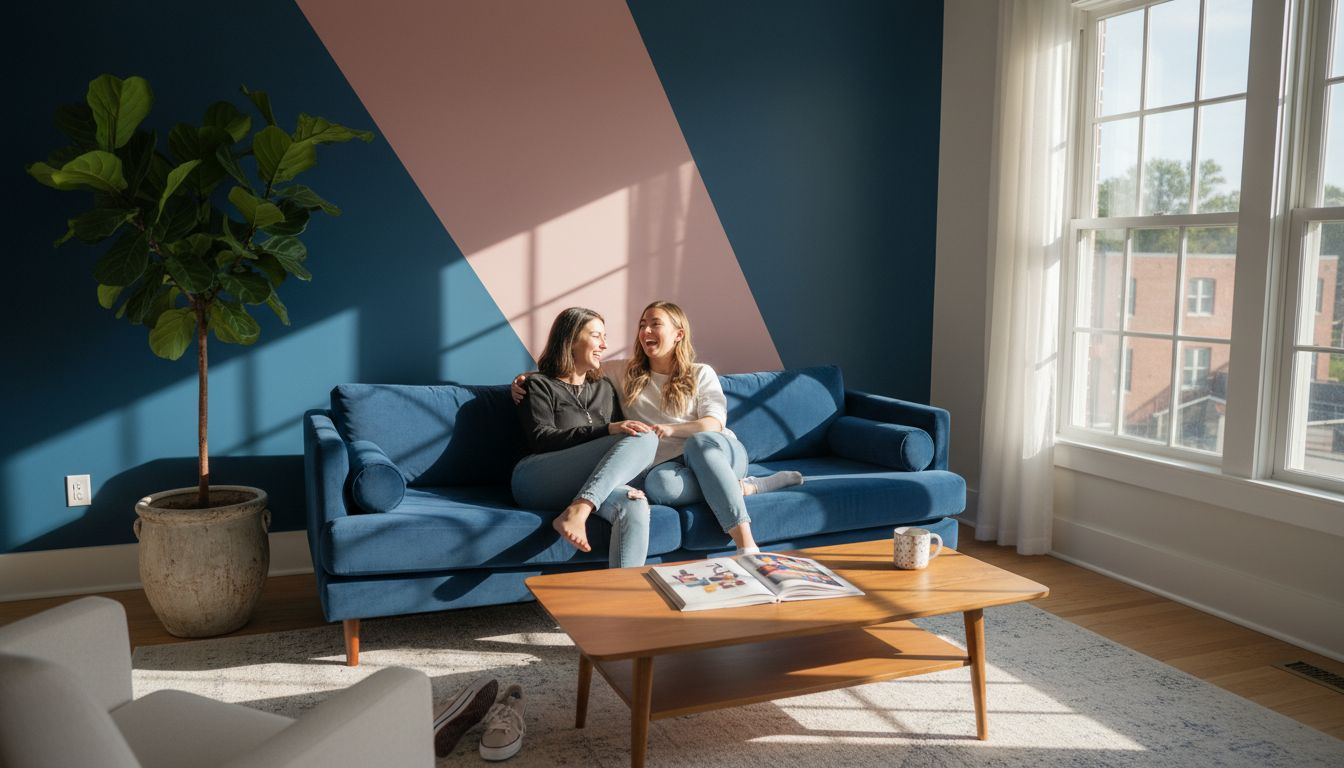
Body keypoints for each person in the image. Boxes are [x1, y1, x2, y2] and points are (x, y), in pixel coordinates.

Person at [513, 301, 801, 555]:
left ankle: (746, 545)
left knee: (693, 446)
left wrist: (669, 430)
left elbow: (713, 424)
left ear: (679, 334)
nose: (646, 330)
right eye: (642, 324)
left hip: (716, 450)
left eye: (655, 324)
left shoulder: (698, 373)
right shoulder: (623, 373)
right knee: (656, 483)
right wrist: (527, 377)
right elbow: (566, 374)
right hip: (662, 468)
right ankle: (740, 487)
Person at [511, 307, 658, 567]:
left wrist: (633, 488)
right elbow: (541, 439)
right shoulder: (537, 385)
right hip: (536, 479)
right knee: (642, 436)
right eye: (596, 336)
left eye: (605, 336)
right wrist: (607, 429)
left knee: (633, 504)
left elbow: (618, 454)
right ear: (570, 339)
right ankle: (580, 508)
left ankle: (625, 599)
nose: (604, 344)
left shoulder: (603, 387)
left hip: (585, 483)